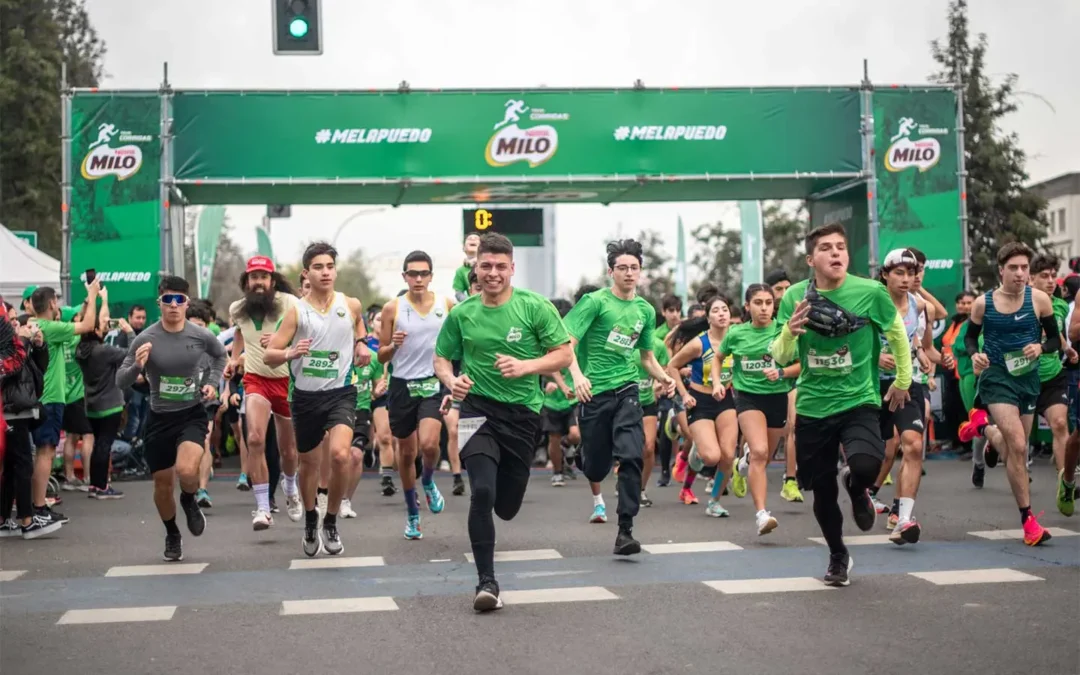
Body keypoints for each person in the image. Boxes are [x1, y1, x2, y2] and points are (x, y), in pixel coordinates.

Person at [433, 232, 572, 612]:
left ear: (512, 268)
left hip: (524, 415)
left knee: (507, 506)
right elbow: (442, 358)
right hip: (476, 410)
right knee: (482, 492)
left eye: (500, 266)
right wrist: (451, 380)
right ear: (475, 269)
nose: (492, 273)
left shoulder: (535, 307)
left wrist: (527, 366)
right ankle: (487, 583)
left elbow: (563, 353)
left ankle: (503, 508)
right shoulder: (462, 314)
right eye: (485, 266)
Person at [771, 223, 913, 586]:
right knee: (821, 492)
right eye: (825, 248)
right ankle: (837, 554)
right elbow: (779, 355)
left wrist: (902, 380)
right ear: (810, 259)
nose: (835, 253)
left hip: (859, 399)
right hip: (814, 405)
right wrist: (790, 331)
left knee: (866, 463)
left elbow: (896, 333)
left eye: (840, 247)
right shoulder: (794, 298)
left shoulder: (870, 292)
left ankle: (858, 485)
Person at [564, 239, 675, 555]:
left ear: (641, 272)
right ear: (611, 271)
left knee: (632, 454)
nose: (629, 273)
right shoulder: (594, 303)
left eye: (634, 268)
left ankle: (625, 529)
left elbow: (646, 358)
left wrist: (665, 377)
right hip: (593, 393)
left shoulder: (645, 310)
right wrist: (577, 375)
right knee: (596, 468)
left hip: (628, 390)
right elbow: (565, 344)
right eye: (622, 268)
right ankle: (585, 455)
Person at [265, 242, 371, 557]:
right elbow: (271, 356)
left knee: (340, 456)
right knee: (308, 464)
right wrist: (289, 352)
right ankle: (311, 519)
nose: (325, 272)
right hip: (306, 398)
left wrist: (363, 343)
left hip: (341, 393)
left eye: (329, 266)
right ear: (306, 273)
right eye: (318, 267)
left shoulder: (350, 304)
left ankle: (331, 520)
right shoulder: (297, 311)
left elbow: (358, 325)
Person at [116, 276, 227, 561]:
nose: (174, 305)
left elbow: (220, 356)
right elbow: (120, 380)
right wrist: (138, 365)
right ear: (160, 302)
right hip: (159, 419)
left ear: (187, 303)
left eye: (180, 300)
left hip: (191, 415)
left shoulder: (200, 335)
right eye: (169, 300)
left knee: (187, 471)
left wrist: (213, 382)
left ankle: (189, 500)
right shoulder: (146, 338)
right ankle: (172, 533)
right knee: (162, 486)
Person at [964, 242, 1060, 546]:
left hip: (1028, 380)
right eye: (1014, 268)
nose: (1020, 274)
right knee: (1018, 445)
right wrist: (974, 356)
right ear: (1001, 270)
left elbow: (1055, 340)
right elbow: (969, 338)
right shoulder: (984, 303)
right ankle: (1029, 520)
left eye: (1024, 268)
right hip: (996, 378)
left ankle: (986, 432)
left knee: (1017, 448)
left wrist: (1041, 347)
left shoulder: (1040, 300)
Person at [224, 256, 303, 530]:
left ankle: (290, 487)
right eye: (253, 277)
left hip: (287, 380)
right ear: (246, 281)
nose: (258, 282)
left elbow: (306, 331)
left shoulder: (290, 303)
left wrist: (284, 340)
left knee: (289, 450)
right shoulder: (237, 308)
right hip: (256, 379)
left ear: (272, 280)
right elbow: (238, 333)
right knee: (255, 438)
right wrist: (234, 360)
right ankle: (262, 508)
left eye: (264, 277)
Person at [377, 251, 451, 540]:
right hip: (401, 386)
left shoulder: (447, 305)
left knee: (430, 445)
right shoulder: (392, 308)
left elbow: (460, 338)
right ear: (404, 277)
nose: (418, 278)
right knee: (406, 454)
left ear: (431, 276)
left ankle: (430, 481)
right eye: (412, 273)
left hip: (432, 383)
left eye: (423, 273)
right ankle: (412, 514)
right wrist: (393, 346)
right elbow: (381, 353)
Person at [715, 284, 799, 535]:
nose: (764, 308)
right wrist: (718, 381)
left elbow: (801, 365)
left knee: (764, 456)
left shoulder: (784, 332)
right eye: (758, 303)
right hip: (748, 397)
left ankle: (745, 461)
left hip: (777, 396)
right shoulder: (736, 333)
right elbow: (719, 357)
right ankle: (762, 514)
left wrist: (781, 372)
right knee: (761, 451)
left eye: (768, 303)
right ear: (748, 306)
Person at [869, 249, 938, 543]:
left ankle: (904, 519)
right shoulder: (871, 302)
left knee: (912, 444)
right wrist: (876, 355)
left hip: (906, 383)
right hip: (872, 386)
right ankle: (860, 486)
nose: (906, 279)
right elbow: (852, 342)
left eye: (911, 273)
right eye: (899, 272)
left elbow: (915, 340)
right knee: (876, 452)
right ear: (885, 274)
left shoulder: (919, 305)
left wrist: (922, 354)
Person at [28, 283, 100, 525]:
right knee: (45, 453)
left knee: (43, 452)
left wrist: (87, 301)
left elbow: (79, 317)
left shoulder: (35, 325)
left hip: (43, 398)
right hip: (49, 398)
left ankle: (39, 505)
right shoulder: (48, 326)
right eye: (56, 301)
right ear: (51, 304)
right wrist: (92, 294)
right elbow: (88, 326)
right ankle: (38, 507)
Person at [667, 296, 739, 515]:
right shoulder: (699, 342)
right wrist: (684, 393)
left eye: (725, 309)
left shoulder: (737, 340)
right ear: (708, 318)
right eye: (715, 310)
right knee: (712, 457)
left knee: (727, 456)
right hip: (700, 402)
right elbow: (672, 366)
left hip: (725, 401)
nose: (721, 314)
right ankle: (696, 450)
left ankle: (714, 502)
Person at [74, 298, 131, 500]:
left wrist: (103, 300)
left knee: (98, 443)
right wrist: (129, 332)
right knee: (104, 445)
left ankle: (94, 484)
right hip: (110, 404)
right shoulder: (104, 351)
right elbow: (131, 354)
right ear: (96, 331)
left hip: (92, 404)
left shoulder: (81, 351)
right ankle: (101, 486)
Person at [1029, 254, 1076, 486]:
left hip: (1052, 375)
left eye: (1053, 276)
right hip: (1023, 378)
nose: (1050, 281)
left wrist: (1066, 349)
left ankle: (1064, 484)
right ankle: (991, 438)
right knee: (1014, 441)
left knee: (1059, 424)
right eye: (1044, 276)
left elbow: (1054, 331)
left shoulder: (1058, 305)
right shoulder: (1019, 304)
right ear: (1031, 279)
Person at [540, 298, 579, 487]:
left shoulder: (574, 339)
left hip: (572, 399)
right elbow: (542, 365)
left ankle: (567, 445)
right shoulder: (544, 338)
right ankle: (557, 472)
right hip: (552, 401)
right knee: (552, 438)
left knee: (576, 434)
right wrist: (554, 383)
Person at [452, 233, 481, 302]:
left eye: (476, 238)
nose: (473, 239)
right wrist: (470, 303)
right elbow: (459, 293)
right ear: (463, 248)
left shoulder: (490, 265)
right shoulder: (460, 271)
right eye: (469, 239)